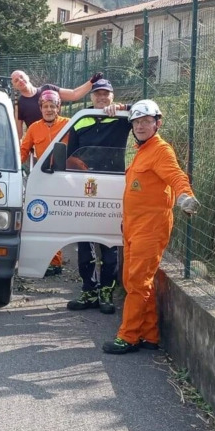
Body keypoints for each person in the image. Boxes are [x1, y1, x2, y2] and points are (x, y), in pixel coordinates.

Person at [103, 99, 200, 354]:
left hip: (151, 227)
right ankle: (149, 334)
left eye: (146, 121)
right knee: (132, 280)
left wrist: (185, 197)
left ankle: (128, 336)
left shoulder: (161, 150)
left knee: (137, 281)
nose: (141, 126)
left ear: (157, 123)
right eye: (136, 122)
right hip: (134, 228)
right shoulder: (141, 151)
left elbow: (177, 176)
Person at [64, 79, 128, 313]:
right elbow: (70, 156)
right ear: (91, 97)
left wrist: (123, 107)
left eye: (106, 94)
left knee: (109, 242)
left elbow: (147, 112)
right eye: (97, 94)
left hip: (112, 186)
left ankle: (106, 292)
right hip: (86, 186)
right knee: (85, 241)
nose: (101, 98)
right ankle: (89, 290)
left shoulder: (123, 119)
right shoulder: (81, 119)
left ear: (112, 95)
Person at [19, 89, 70, 275]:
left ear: (58, 107)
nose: (49, 110)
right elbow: (23, 151)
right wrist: (14, 165)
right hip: (43, 178)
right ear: (40, 108)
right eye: (45, 106)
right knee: (43, 219)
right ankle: (50, 261)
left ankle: (56, 263)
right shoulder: (33, 128)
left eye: (52, 106)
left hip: (65, 179)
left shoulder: (68, 125)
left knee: (57, 221)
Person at [10, 70, 105, 137]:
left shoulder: (48, 88)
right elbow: (18, 133)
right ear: (14, 86)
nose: (20, 81)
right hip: (38, 145)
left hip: (59, 138)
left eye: (21, 77)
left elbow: (74, 94)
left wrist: (91, 82)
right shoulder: (19, 104)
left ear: (27, 77)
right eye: (16, 80)